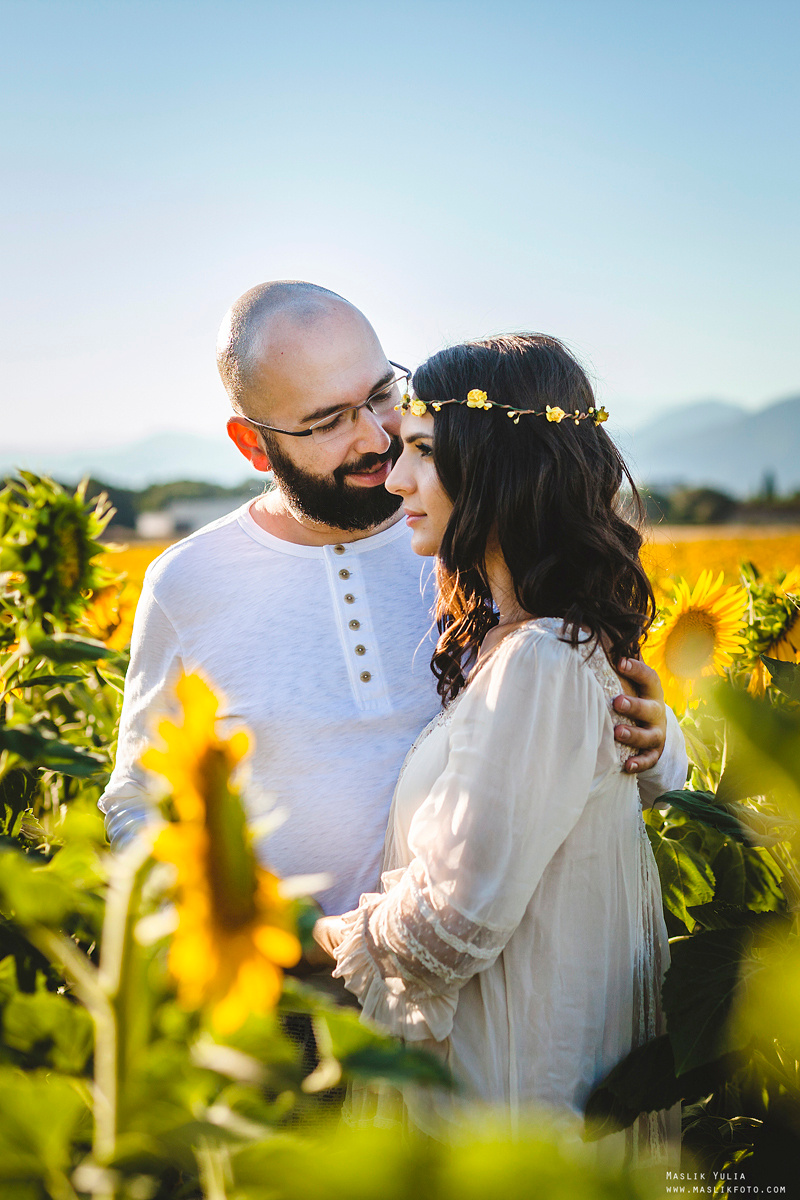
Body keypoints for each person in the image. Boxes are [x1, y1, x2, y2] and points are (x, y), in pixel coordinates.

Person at [99, 282, 684, 930]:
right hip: (287, 1009)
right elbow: (135, 797)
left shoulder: (469, 539)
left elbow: (591, 713)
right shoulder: (188, 583)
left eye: (382, 394)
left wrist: (658, 743)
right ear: (253, 445)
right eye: (329, 421)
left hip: (478, 1003)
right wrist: (224, 922)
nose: (378, 437)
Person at [311, 333, 683, 1156]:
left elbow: (456, 922)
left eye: (421, 452)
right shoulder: (529, 648)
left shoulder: (541, 661)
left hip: (513, 1089)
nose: (396, 478)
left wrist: (331, 934)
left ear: (499, 465)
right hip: (520, 1065)